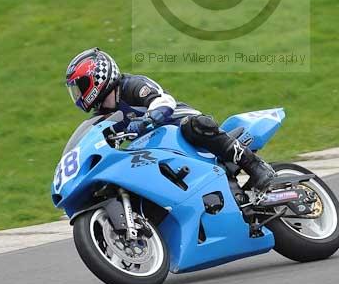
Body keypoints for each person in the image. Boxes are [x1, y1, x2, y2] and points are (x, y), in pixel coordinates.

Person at [65, 47, 275, 191]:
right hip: (158, 149)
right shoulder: (104, 116)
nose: (78, 94)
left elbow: (163, 101)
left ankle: (255, 166)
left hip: (181, 128)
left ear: (97, 77)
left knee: (195, 126)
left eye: (80, 86)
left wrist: (148, 119)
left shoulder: (131, 85)